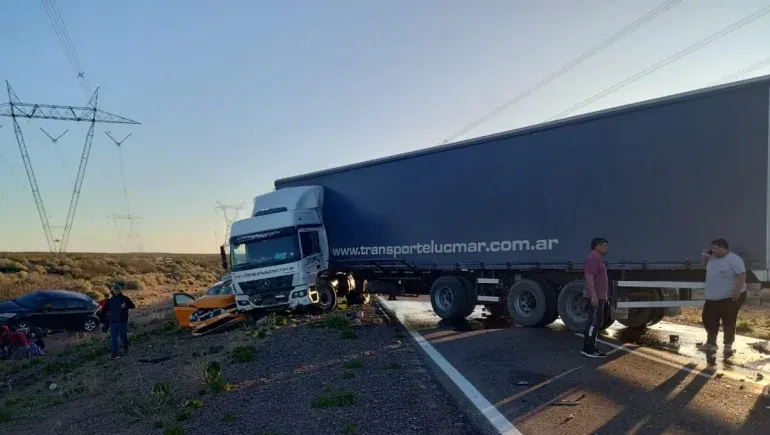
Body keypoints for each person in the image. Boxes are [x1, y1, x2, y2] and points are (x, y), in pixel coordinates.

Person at [698, 238, 746, 357]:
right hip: (712, 296)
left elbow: (742, 275)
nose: (712, 250)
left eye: (715, 247)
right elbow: (702, 267)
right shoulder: (711, 258)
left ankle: (728, 346)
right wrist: (705, 258)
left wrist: (737, 290)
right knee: (708, 319)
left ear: (723, 248)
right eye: (712, 247)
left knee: (728, 320)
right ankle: (711, 343)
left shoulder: (734, 259)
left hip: (729, 296)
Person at [582, 237, 609, 358]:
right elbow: (589, 278)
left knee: (596, 322)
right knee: (594, 323)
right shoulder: (592, 259)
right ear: (597, 246)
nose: (606, 248)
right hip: (595, 296)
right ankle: (589, 349)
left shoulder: (597, 259)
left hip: (599, 296)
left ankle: (588, 347)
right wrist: (594, 296)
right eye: (604, 245)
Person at [106, 282, 136, 360]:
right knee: (113, 339)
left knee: (124, 337)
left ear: (120, 290)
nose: (116, 291)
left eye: (117, 289)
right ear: (112, 290)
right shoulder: (110, 300)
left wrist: (126, 305)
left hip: (122, 322)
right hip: (113, 322)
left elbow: (133, 306)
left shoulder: (125, 298)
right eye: (115, 289)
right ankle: (114, 354)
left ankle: (126, 349)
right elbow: (106, 310)